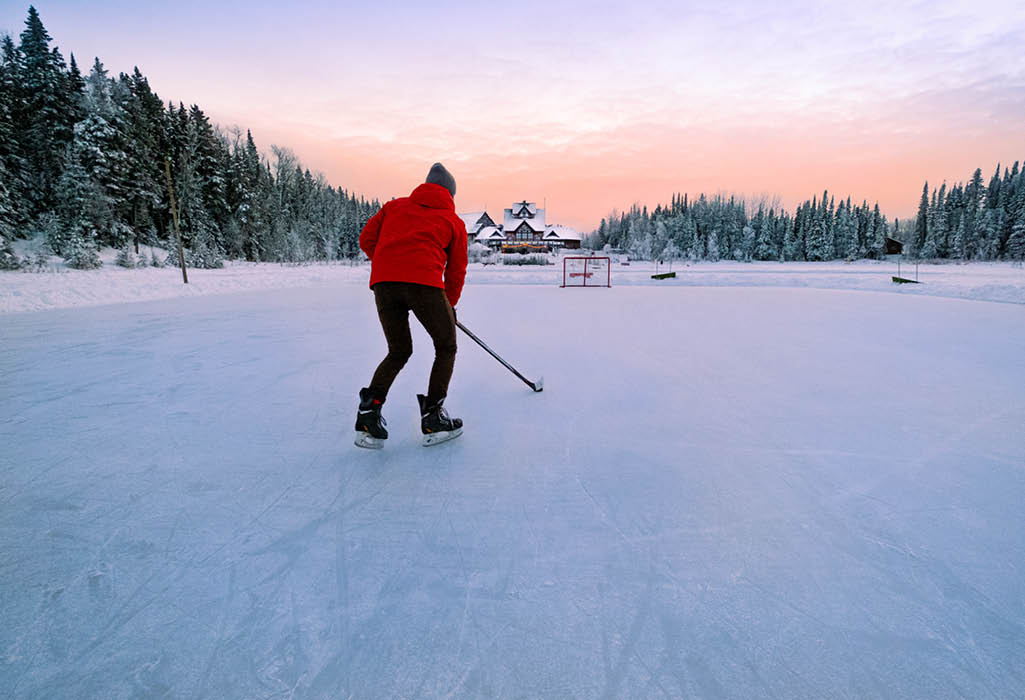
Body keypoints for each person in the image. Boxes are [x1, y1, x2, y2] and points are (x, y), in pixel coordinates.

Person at [355, 163, 469, 448]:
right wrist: (449, 306)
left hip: (384, 285)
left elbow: (366, 239)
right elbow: (456, 271)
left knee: (399, 350)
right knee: (446, 346)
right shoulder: (453, 221)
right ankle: (433, 417)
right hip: (425, 287)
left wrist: (389, 264)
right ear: (450, 194)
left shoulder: (393, 208)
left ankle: (368, 415)